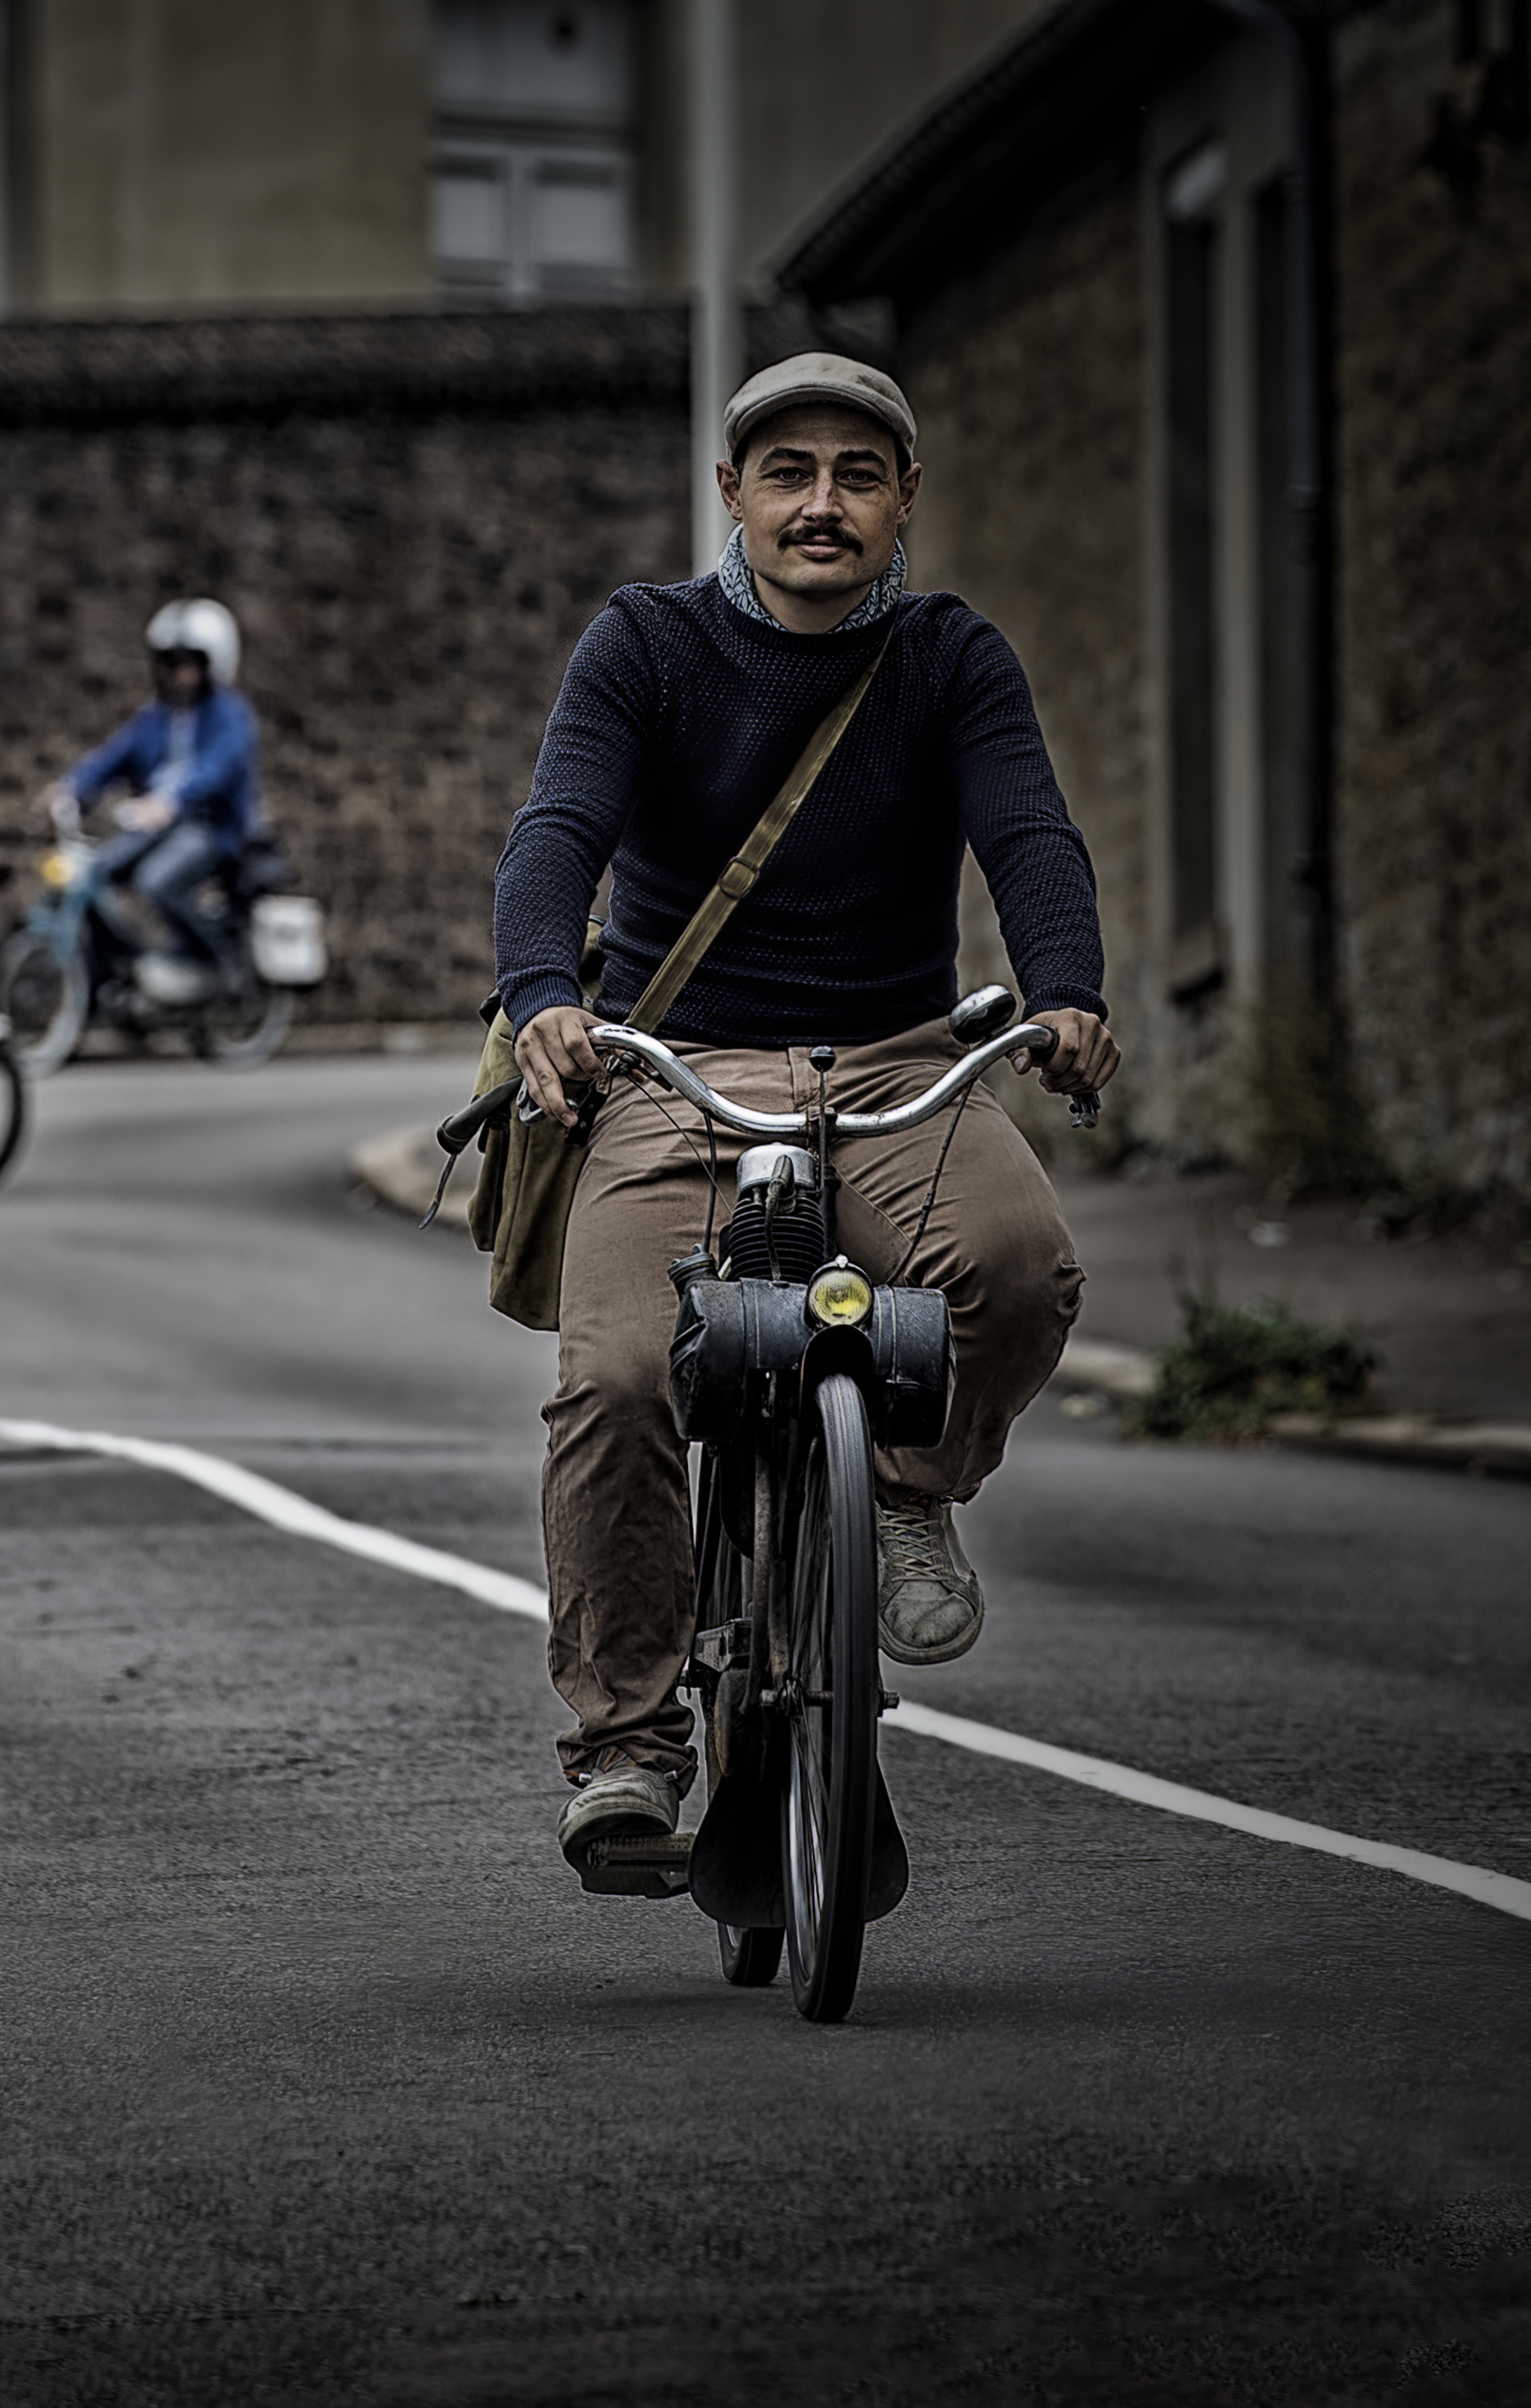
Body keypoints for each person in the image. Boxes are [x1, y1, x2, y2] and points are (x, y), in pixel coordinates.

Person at [490, 354, 1118, 1886]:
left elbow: (1024, 825)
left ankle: (905, 1500)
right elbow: (559, 820)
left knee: (1021, 1268)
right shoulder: (643, 644)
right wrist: (539, 989)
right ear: (732, 495)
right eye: (787, 472)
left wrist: (1065, 991)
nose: (819, 503)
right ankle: (629, 1743)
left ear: (903, 500)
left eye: (855, 473)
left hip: (903, 1064)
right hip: (677, 1065)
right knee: (622, 1373)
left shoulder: (949, 659)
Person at [43, 599, 268, 997]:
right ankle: (117, 972)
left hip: (209, 828)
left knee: (156, 882)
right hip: (155, 826)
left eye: (188, 663)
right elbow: (114, 756)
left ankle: (217, 961)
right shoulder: (154, 717)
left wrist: (171, 799)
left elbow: (215, 768)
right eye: (170, 662)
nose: (178, 673)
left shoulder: (231, 715)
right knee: (91, 875)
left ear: (211, 665)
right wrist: (71, 786)